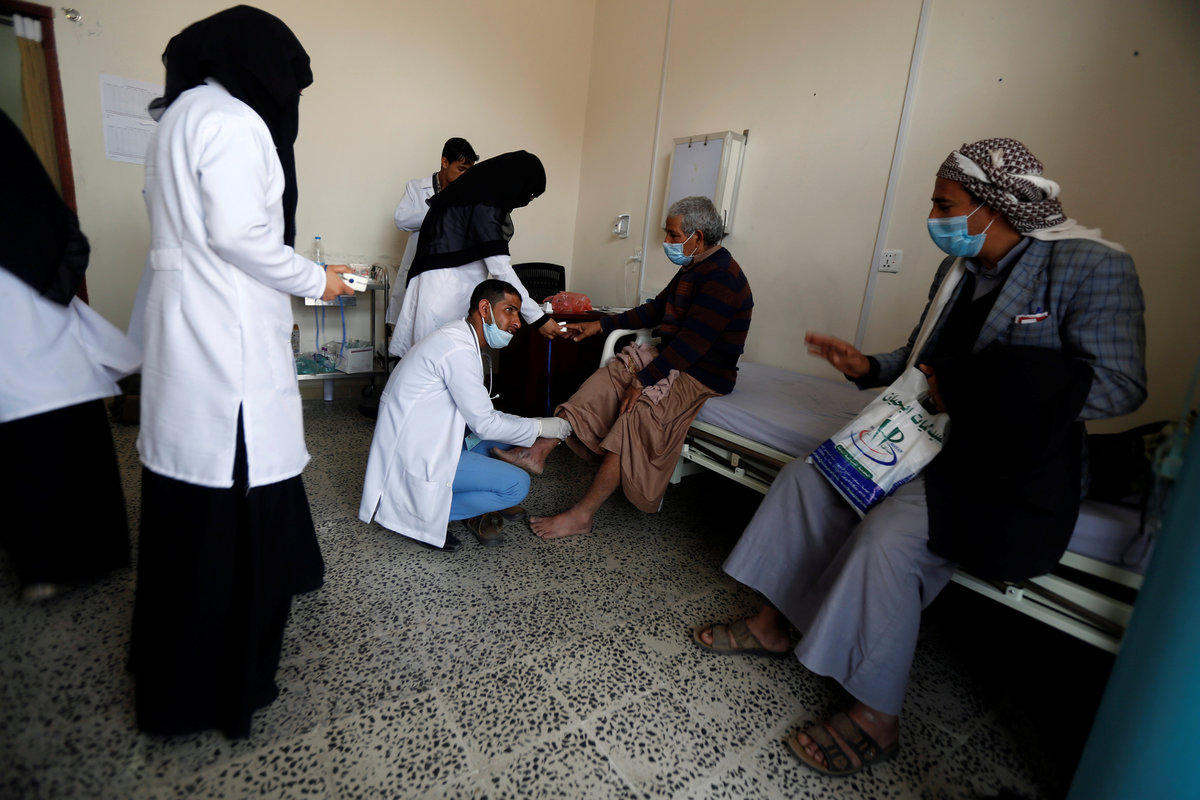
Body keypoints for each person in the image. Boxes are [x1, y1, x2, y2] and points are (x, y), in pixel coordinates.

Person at [692, 138, 1147, 777]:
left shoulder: (1088, 265)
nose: (934, 217)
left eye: (945, 204)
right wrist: (866, 367)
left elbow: (1120, 385)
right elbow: (919, 357)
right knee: (805, 481)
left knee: (890, 539)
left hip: (998, 462)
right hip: (917, 434)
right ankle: (774, 623)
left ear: (993, 205)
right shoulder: (957, 270)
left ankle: (876, 714)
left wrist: (979, 389)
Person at [127, 5, 356, 739]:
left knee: (186, 525)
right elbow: (239, 234)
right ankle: (221, 690)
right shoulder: (232, 120)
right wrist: (320, 280)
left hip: (186, 337)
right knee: (232, 524)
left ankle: (170, 678)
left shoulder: (174, 119)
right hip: (226, 351)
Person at [494, 195, 754, 539]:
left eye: (673, 235)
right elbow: (654, 310)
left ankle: (582, 515)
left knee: (636, 413)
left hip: (702, 373)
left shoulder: (722, 278)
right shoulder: (693, 268)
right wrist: (599, 326)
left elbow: (692, 346)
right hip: (674, 357)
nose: (667, 241)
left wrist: (643, 381)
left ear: (699, 237)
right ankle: (538, 451)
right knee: (606, 380)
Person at [0, 110, 141, 602]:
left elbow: (46, 219)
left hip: (30, 297)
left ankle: (77, 556)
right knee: (32, 436)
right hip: (28, 298)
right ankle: (49, 562)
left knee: (54, 429)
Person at [360, 279, 572, 551]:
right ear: (485, 309)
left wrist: (533, 430)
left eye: (518, 313)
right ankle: (422, 515)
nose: (517, 322)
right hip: (420, 455)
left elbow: (482, 418)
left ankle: (479, 498)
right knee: (517, 486)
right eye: (510, 310)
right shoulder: (458, 350)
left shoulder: (459, 337)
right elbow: (485, 424)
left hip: (431, 439)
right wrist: (542, 427)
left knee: (508, 443)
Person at [388, 150, 563, 359]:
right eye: (530, 194)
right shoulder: (484, 205)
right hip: (444, 297)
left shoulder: (466, 196)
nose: (526, 201)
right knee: (437, 361)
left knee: (426, 360)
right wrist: (538, 318)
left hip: (438, 290)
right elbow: (501, 269)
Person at [384, 137, 478, 328]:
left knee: (440, 330)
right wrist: (440, 209)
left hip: (447, 278)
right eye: (461, 169)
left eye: (469, 171)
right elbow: (402, 220)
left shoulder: (468, 196)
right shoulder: (416, 188)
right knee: (410, 330)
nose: (465, 175)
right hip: (417, 270)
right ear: (445, 162)